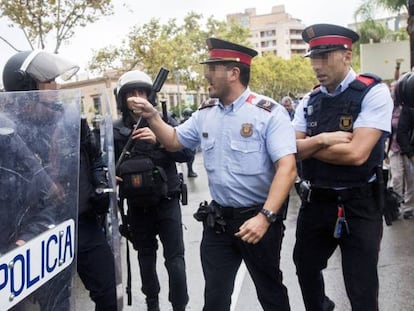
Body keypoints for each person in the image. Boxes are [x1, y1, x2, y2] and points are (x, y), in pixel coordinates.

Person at [129, 38, 297, 311]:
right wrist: (152, 116)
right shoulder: (205, 113)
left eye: (213, 68)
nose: (206, 74)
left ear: (234, 73)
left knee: (271, 293)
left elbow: (287, 169)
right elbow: (173, 140)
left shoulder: (268, 113)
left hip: (258, 220)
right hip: (219, 222)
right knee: (215, 299)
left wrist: (265, 218)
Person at [2, 50, 118, 311]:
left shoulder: (70, 120)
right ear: (26, 87)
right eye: (49, 81)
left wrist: (100, 182)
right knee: (56, 303)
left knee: (107, 291)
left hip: (83, 222)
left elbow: (94, 157)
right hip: (41, 232)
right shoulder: (9, 132)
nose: (57, 87)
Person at [292, 24, 393, 311]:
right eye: (313, 58)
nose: (316, 66)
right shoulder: (310, 100)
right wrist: (322, 140)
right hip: (317, 201)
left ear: (347, 56)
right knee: (305, 266)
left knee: (361, 287)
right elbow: (288, 148)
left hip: (360, 203)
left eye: (325, 57)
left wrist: (309, 147)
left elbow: (357, 154)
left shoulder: (372, 92)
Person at [113, 70, 190, 311]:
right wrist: (110, 175)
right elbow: (103, 164)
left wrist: (159, 139)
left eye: (141, 92)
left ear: (150, 95)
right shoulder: (115, 130)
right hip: (137, 206)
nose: (137, 97)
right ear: (122, 98)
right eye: (131, 93)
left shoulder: (164, 122)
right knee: (145, 258)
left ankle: (179, 305)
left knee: (175, 260)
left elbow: (186, 153)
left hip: (167, 202)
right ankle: (152, 304)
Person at [388, 81, 414, 220]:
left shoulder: (408, 107)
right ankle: (395, 206)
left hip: (407, 148)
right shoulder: (391, 107)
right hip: (395, 148)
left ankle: (409, 208)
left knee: (411, 180)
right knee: (397, 178)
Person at [180, 107, 198, 177]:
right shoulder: (189, 121)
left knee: (190, 158)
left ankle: (190, 171)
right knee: (190, 158)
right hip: (189, 143)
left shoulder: (183, 121)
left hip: (185, 143)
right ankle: (190, 171)